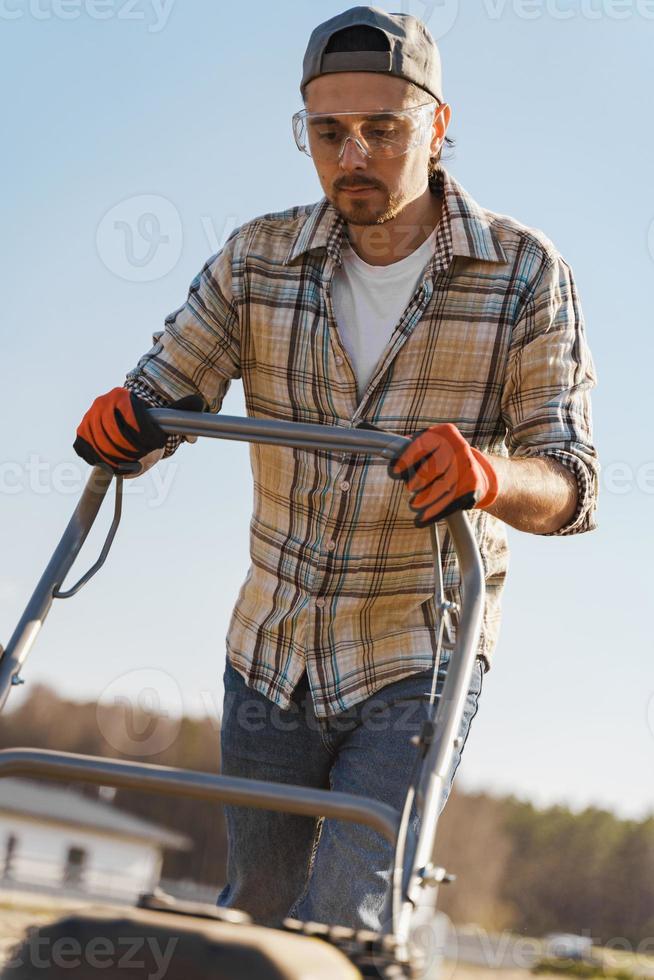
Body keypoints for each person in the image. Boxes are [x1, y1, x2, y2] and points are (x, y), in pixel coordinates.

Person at [73, 7, 598, 935]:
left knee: (349, 919)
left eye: (383, 129)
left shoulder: (523, 273)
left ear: (438, 127)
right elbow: (159, 394)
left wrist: (488, 476)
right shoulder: (256, 259)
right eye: (328, 132)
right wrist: (125, 426)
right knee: (260, 914)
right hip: (269, 649)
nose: (353, 153)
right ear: (305, 133)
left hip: (418, 650)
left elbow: (568, 480)